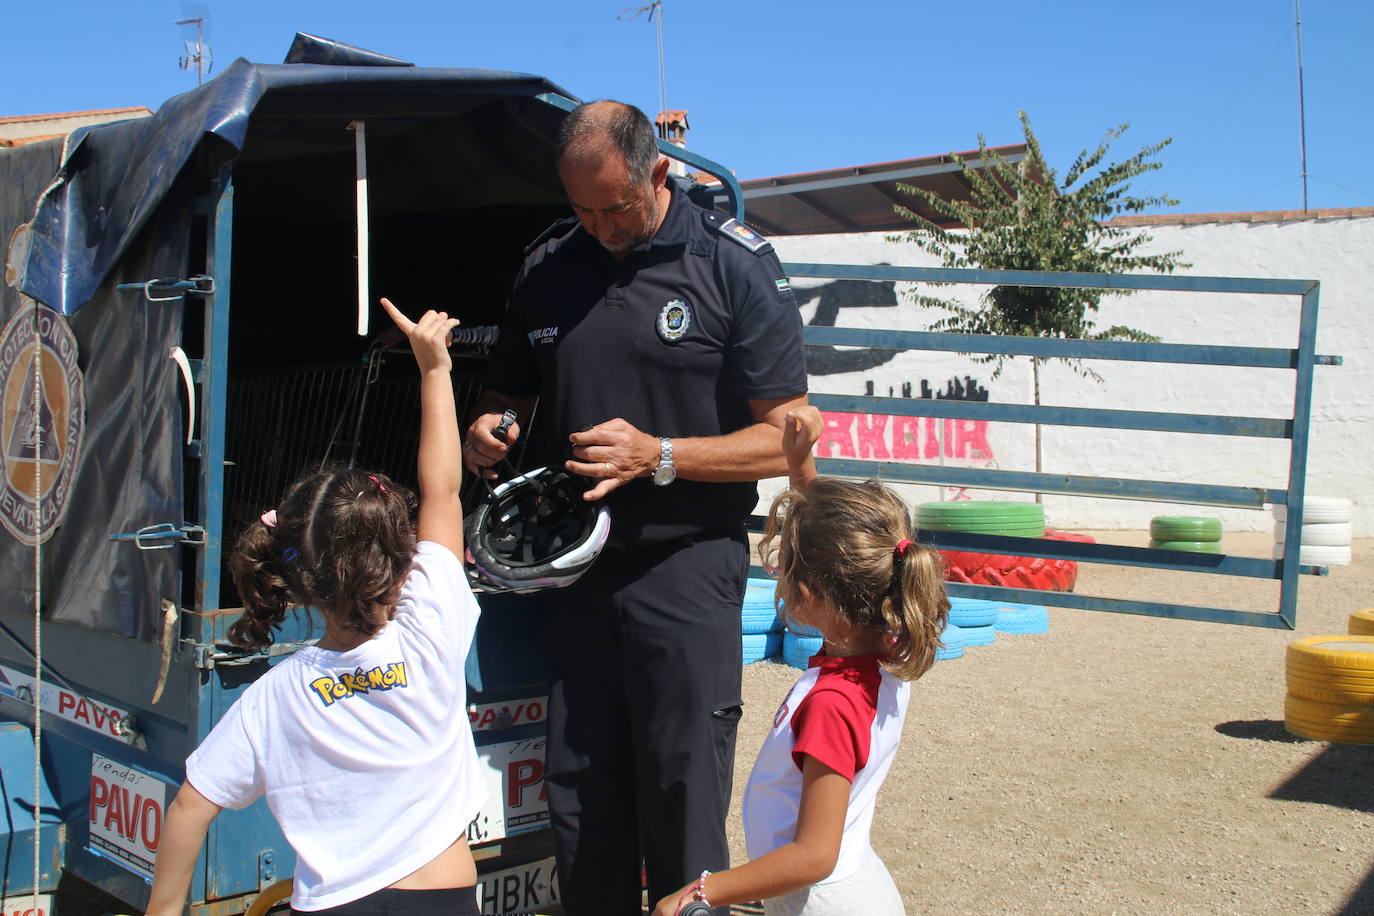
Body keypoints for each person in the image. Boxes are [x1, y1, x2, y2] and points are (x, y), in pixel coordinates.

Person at [464, 100, 808, 913]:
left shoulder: (731, 265)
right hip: (574, 575)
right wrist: (489, 429)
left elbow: (788, 438)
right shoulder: (549, 265)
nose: (600, 226)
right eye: (582, 210)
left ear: (658, 172)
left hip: (686, 567)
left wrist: (660, 456)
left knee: (682, 788)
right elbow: (506, 397)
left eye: (615, 208)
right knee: (581, 798)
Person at [145, 300, 487, 916]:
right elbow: (443, 488)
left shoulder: (274, 696)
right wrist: (435, 370)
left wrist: (163, 911)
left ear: (300, 577)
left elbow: (191, 806)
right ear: (400, 556)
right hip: (443, 895)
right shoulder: (433, 625)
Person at [652, 406, 949, 916]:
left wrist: (702, 891)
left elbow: (814, 854)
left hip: (824, 903)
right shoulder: (881, 646)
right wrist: (799, 462)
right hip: (853, 889)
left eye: (785, 564)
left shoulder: (832, 704)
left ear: (809, 595)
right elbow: (830, 536)